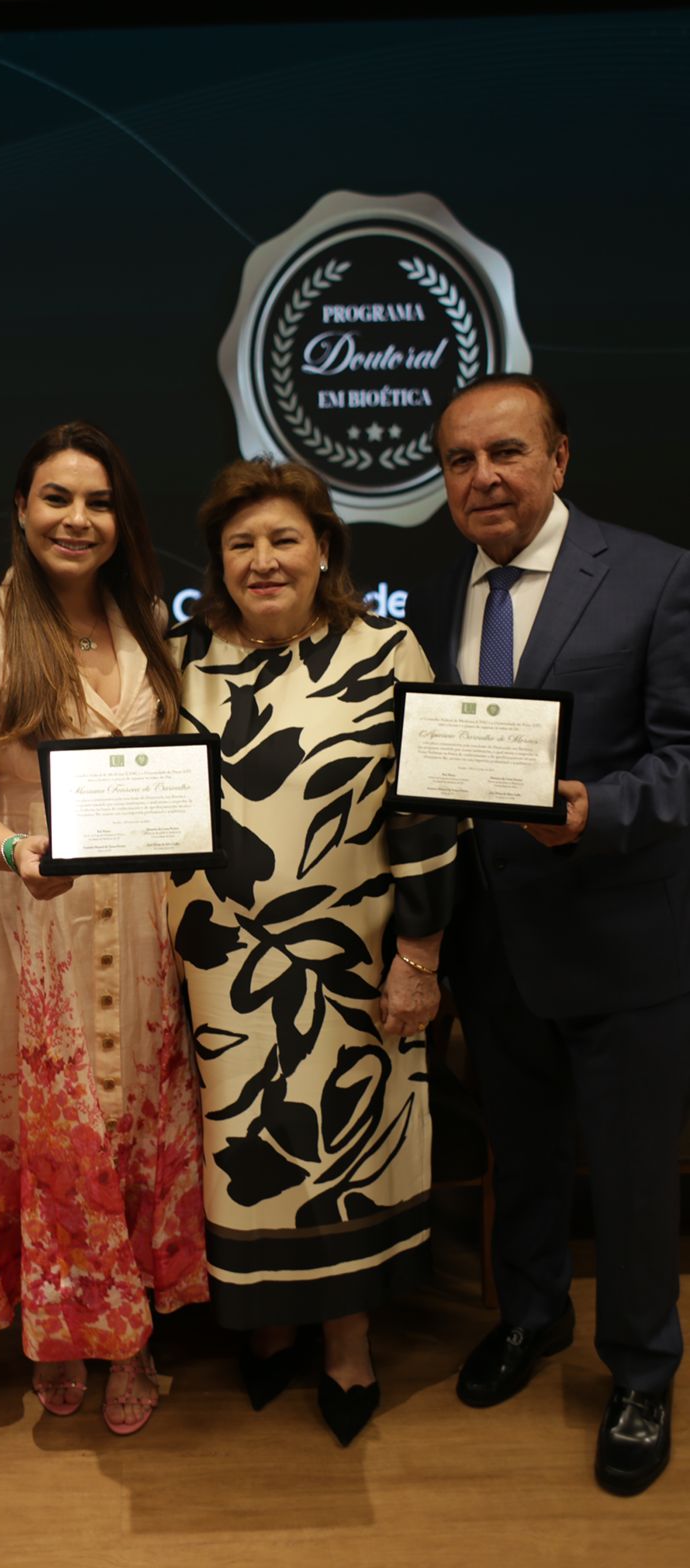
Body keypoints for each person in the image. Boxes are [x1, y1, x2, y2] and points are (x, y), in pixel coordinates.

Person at [407, 372, 690, 1496]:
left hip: (620, 940)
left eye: (506, 452)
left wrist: (597, 810)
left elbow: (683, 757)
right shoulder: (439, 595)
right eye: (459, 460)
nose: (482, 477)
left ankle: (642, 1371)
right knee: (521, 1156)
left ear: (558, 458)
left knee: (628, 1177)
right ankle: (530, 1317)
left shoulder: (656, 577)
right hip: (494, 944)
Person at [0, 421, 208, 1436]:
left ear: (122, 520)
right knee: (53, 1131)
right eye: (57, 497)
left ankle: (131, 1337)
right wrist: (13, 850)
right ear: (21, 508)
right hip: (26, 925)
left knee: (127, 1119)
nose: (78, 519)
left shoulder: (150, 624)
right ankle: (63, 1332)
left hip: (142, 926)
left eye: (99, 502)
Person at [167, 457, 456, 1445]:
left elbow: (427, 814)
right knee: (243, 1149)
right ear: (217, 560)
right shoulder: (180, 656)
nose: (263, 559)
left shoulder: (387, 650)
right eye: (241, 543)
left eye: (284, 538)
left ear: (324, 548)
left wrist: (417, 956)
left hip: (352, 969)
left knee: (346, 1147)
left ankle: (347, 1339)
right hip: (218, 977)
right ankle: (267, 1323)